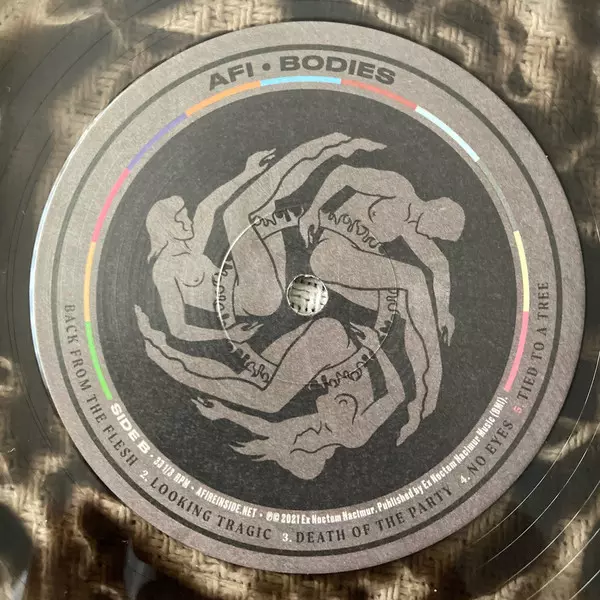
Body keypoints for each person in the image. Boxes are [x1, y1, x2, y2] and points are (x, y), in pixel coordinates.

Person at [145, 134, 385, 344]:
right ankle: (327, 146)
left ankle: (330, 150)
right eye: (178, 220)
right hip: (254, 300)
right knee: (234, 215)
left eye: (185, 216)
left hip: (258, 280)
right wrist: (227, 334)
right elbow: (178, 329)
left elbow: (208, 206)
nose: (187, 223)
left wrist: (248, 173)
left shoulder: (191, 248)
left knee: (266, 204)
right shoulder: (164, 270)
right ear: (162, 229)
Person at [135, 307, 404, 479]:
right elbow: (396, 394)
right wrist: (374, 348)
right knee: (269, 401)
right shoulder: (353, 435)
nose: (299, 436)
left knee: (246, 380)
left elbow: (267, 429)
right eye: (301, 445)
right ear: (317, 453)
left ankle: (165, 349)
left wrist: (225, 413)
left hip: (319, 349)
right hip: (331, 341)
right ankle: (169, 364)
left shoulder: (315, 428)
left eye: (294, 443)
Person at [299, 165, 465, 441]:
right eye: (439, 231)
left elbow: (439, 264)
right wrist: (313, 209)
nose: (434, 237)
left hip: (345, 274)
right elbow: (344, 173)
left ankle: (422, 394)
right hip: (329, 254)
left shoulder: (413, 229)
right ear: (438, 208)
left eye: (439, 237)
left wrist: (444, 310)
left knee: (407, 307)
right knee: (413, 279)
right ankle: (434, 374)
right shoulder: (398, 188)